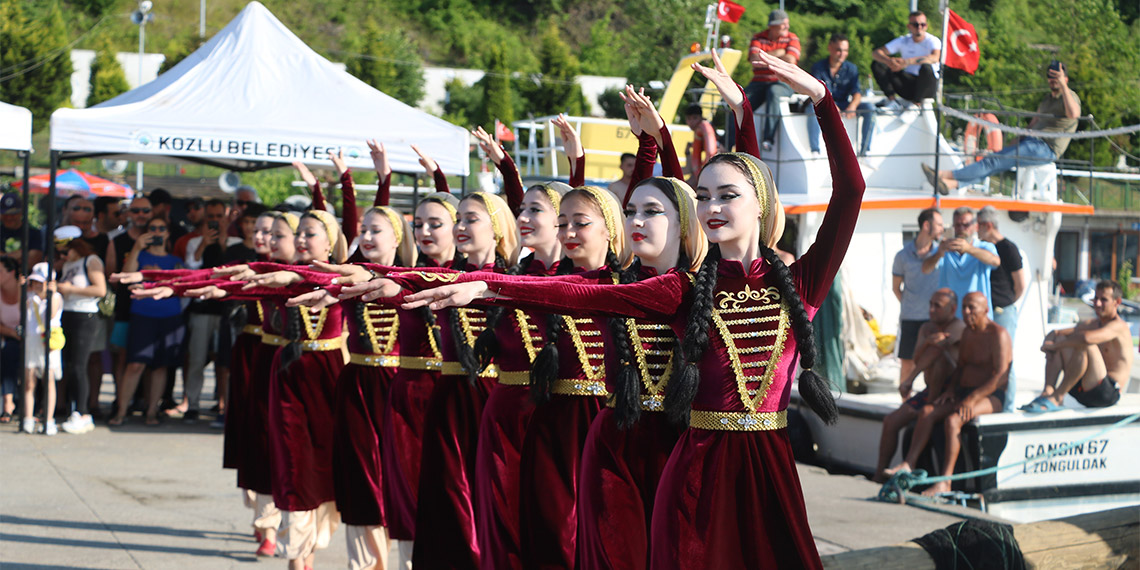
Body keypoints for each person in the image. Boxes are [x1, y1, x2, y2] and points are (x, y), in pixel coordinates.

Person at [393, 48, 861, 568]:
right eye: (703, 198)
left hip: (771, 472)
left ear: (761, 202)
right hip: (695, 472)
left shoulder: (802, 282)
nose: (711, 208)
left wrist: (821, 100)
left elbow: (850, 191)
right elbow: (581, 294)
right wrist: (485, 285)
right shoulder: (682, 289)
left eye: (726, 196)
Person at [887, 292, 1009, 496]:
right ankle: (909, 463)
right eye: (964, 307)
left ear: (986, 310)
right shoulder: (968, 333)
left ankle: (945, 481)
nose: (966, 312)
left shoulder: (998, 334)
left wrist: (972, 399)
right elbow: (961, 367)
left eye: (972, 308)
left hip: (990, 396)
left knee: (953, 421)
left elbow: (1001, 377)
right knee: (927, 412)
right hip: (963, 392)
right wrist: (952, 389)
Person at [924, 61, 1081, 193]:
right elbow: (1032, 124)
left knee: (992, 162)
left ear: (1065, 79)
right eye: (1050, 76)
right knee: (994, 163)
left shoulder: (1070, 96)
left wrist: (1063, 86)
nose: (1053, 80)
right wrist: (1016, 141)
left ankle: (944, 175)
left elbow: (1074, 114)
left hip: (1046, 148)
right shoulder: (1046, 100)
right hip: (1031, 143)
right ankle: (951, 184)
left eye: (1057, 77)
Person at [874, 288, 964, 482]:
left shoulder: (958, 327)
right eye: (930, 304)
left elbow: (943, 354)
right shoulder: (926, 328)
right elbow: (917, 357)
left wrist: (909, 380)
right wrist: (927, 342)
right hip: (930, 390)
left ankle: (910, 463)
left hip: (949, 391)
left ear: (952, 309)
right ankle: (879, 474)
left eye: (937, 306)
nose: (931, 309)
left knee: (938, 352)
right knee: (890, 421)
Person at [109, 217, 184, 426]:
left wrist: (160, 278)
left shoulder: (175, 260)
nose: (157, 232)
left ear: (168, 233)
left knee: (160, 367)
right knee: (135, 364)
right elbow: (126, 277)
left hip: (170, 316)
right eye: (153, 228)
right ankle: (121, 411)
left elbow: (183, 285)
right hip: (143, 315)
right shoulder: (140, 255)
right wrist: (136, 248)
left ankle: (152, 412)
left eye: (162, 228)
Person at [175, 199, 242, 422]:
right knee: (196, 359)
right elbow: (191, 269)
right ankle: (192, 404)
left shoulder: (236, 242)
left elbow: (233, 273)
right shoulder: (195, 242)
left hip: (227, 309)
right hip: (202, 308)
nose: (215, 221)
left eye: (218, 217)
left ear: (226, 217)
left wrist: (223, 244)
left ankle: (224, 404)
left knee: (225, 362)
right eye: (210, 217)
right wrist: (204, 244)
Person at [1022, 281, 1132, 413]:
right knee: (1061, 338)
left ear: (1117, 302)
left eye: (1103, 300)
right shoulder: (1092, 324)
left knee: (1084, 343)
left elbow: (1086, 339)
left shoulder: (1120, 327)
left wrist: (1055, 346)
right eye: (1096, 298)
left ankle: (1057, 397)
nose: (1097, 303)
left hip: (1106, 393)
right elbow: (1056, 333)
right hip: (1083, 389)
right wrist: (1049, 342)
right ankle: (1047, 392)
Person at [54, 226, 108, 435]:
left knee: (79, 366)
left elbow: (100, 290)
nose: (63, 255)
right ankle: (73, 410)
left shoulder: (91, 261)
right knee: (69, 365)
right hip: (67, 314)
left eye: (65, 250)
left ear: (76, 245)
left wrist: (71, 289)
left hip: (85, 316)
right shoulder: (68, 263)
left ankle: (83, 413)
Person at [976, 206, 1026, 411]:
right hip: (986, 313)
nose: (976, 230)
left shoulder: (1008, 248)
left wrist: (1004, 305)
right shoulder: (982, 248)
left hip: (1002, 311)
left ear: (988, 225)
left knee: (1005, 361)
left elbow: (1020, 285)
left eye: (978, 226)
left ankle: (1008, 408)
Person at [892, 208, 944, 388]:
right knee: (907, 364)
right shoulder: (902, 256)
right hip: (910, 319)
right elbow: (895, 288)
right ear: (926, 225)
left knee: (934, 364)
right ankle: (905, 400)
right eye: (939, 225)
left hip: (935, 320)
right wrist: (910, 305)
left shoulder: (942, 254)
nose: (942, 229)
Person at [921, 206, 999, 317]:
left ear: (976, 227)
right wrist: (939, 253)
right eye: (957, 225)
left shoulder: (985, 246)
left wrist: (968, 249)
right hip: (950, 318)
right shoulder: (944, 248)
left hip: (978, 317)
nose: (961, 228)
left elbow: (995, 261)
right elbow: (925, 269)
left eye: (966, 225)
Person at [808, 33, 876, 156]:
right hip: (823, 105)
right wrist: (833, 107)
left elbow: (856, 92)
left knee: (869, 108)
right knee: (811, 109)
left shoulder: (852, 68)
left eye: (845, 50)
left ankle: (865, 151)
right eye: (839, 50)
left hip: (844, 104)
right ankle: (815, 151)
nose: (842, 54)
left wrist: (852, 106)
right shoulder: (818, 67)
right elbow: (817, 93)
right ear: (830, 48)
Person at [745, 9, 800, 151]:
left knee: (774, 92)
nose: (787, 27)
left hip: (784, 82)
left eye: (787, 23)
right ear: (773, 26)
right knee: (740, 101)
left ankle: (768, 139)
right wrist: (780, 52)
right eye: (783, 24)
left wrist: (765, 56)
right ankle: (728, 141)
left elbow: (791, 60)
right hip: (759, 83)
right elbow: (754, 60)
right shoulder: (758, 38)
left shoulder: (792, 38)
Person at [22, 262, 64, 436]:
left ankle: (49, 419)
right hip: (32, 341)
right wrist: (22, 288)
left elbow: (52, 314)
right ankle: (28, 418)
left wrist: (51, 293)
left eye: (42, 282)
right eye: (36, 282)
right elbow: (21, 311)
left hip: (48, 343)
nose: (38, 285)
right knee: (29, 381)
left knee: (49, 381)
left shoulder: (56, 297)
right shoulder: (30, 297)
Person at [871, 11, 940, 109]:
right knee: (878, 64)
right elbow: (876, 53)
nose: (919, 27)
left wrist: (907, 62)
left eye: (923, 24)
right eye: (916, 25)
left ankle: (916, 104)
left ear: (926, 26)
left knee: (926, 68)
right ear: (909, 26)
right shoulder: (903, 40)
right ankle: (892, 100)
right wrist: (889, 61)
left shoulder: (933, 40)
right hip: (908, 84)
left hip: (927, 87)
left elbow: (935, 57)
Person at [0, 257, 22, 423]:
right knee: (8, 351)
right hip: (7, 336)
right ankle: (8, 402)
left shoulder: (25, 290)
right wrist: (12, 333)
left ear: (12, 272)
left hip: (29, 336)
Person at [1, 193, 44, 267]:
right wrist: (21, 254)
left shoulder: (33, 233)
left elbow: (34, 260)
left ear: (21, 213)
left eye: (13, 214)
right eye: (5, 214)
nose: (9, 217)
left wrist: (3, 257)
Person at [684, 103, 718, 186]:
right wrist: (687, 153)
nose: (692, 122)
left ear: (701, 117)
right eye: (689, 119)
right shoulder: (698, 134)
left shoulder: (706, 129)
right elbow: (689, 169)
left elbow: (711, 153)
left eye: (695, 118)